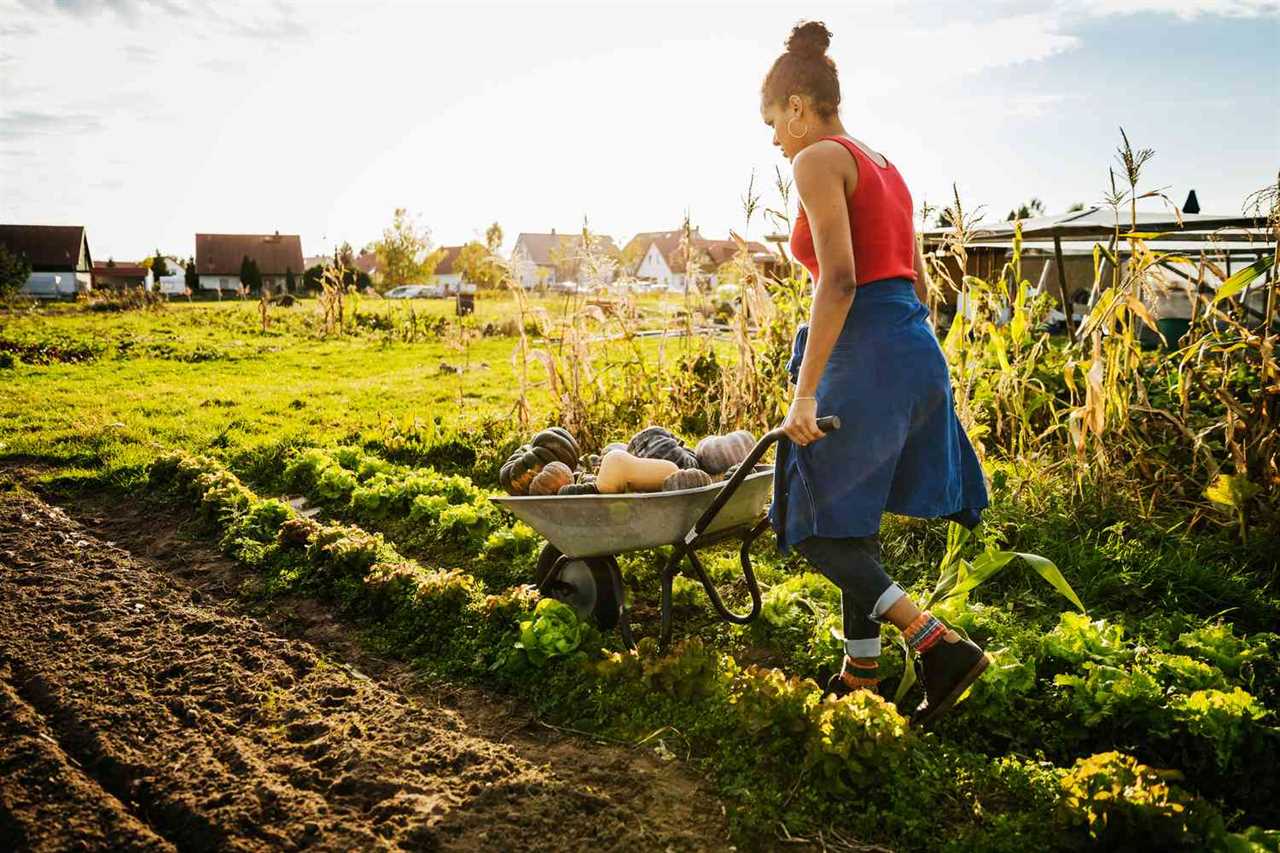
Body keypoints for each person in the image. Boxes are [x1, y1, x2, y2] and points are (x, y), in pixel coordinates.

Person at [761, 21, 991, 728]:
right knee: (850, 518)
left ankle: (935, 642)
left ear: (799, 105)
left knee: (809, 525)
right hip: (913, 348)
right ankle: (860, 670)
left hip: (867, 354)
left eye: (774, 122)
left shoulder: (816, 159)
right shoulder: (885, 164)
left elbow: (838, 281)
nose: (775, 140)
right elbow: (917, 282)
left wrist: (806, 392)